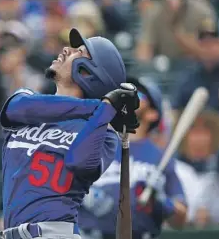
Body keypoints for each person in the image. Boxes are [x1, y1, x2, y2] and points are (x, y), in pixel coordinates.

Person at [0, 28, 140, 239]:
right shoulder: (29, 102)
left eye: (78, 52)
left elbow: (79, 162)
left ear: (88, 73)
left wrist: (104, 113)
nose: (66, 50)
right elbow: (15, 108)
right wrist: (103, 106)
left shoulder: (103, 134)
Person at [79, 77, 187, 239]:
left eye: (138, 95)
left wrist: (162, 201)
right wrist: (82, 195)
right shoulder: (93, 144)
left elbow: (181, 220)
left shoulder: (160, 157)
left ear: (152, 114)